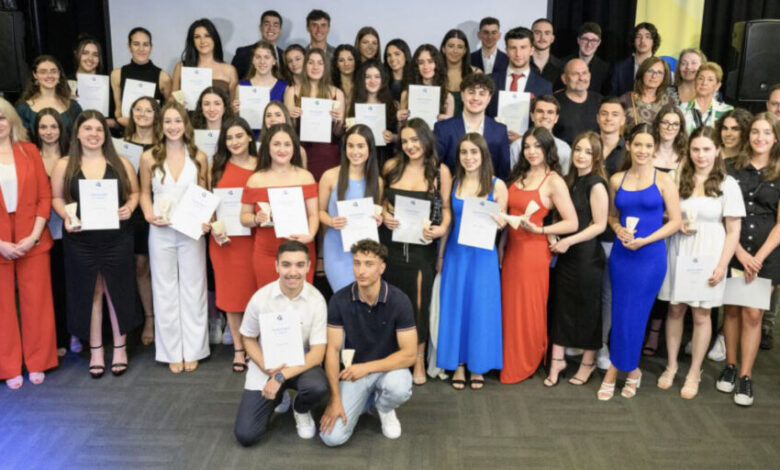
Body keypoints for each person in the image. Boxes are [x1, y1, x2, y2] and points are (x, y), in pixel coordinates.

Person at [51, 110, 141, 379]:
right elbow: (56, 198)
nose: (94, 134)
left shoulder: (121, 162)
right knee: (92, 292)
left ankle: (121, 348)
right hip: (81, 239)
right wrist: (67, 216)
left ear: (106, 134)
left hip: (116, 238)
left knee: (116, 290)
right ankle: (97, 351)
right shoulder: (64, 164)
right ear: (77, 133)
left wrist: (129, 207)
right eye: (88, 129)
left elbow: (135, 192)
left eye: (99, 129)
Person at [657, 126, 744, 399]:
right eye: (695, 149)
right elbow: (662, 214)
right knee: (675, 310)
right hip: (678, 250)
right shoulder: (677, 177)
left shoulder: (728, 184)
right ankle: (671, 366)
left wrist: (722, 265)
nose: (701, 155)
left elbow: (733, 231)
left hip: (709, 254)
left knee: (701, 314)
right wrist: (676, 222)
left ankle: (694, 372)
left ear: (717, 150)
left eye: (706, 149)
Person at [597, 123, 681, 401]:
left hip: (650, 257)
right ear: (629, 146)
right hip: (622, 256)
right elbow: (611, 216)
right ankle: (631, 370)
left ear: (654, 148)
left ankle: (614, 370)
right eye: (638, 144)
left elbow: (676, 222)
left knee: (636, 315)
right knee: (620, 313)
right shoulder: (616, 180)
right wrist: (618, 229)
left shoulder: (664, 180)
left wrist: (645, 241)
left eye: (648, 145)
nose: (643, 150)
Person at [320, 239, 417, 445]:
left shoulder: (399, 300)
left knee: (399, 387)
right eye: (357, 263)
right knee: (331, 437)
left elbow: (409, 354)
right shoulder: (339, 300)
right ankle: (367, 402)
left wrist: (366, 367)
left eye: (369, 264)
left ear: (382, 267)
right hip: (353, 374)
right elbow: (332, 350)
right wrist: (334, 399)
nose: (361, 270)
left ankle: (384, 408)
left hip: (388, 369)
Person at [501, 127, 578, 385]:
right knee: (510, 307)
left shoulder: (553, 180)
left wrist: (542, 230)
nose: (532, 151)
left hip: (533, 252)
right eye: (527, 146)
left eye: (538, 146)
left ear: (548, 149)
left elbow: (572, 222)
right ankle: (509, 358)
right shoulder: (519, 174)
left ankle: (527, 360)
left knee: (528, 308)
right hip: (511, 250)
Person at [234, 241, 329, 445]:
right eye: (286, 265)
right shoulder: (260, 298)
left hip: (301, 364)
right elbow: (248, 337)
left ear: (308, 266)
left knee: (318, 387)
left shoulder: (317, 300)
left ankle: (300, 409)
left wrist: (280, 376)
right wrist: (266, 367)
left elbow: (317, 354)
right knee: (246, 435)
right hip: (267, 364)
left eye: (299, 265)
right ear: (276, 266)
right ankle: (279, 395)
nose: (293, 272)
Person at [139, 102, 210, 374]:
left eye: (177, 121)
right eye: (167, 121)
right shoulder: (149, 157)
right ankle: (170, 351)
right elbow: (144, 193)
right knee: (164, 289)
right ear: (161, 125)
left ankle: (194, 349)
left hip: (191, 231)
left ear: (186, 124)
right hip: (161, 230)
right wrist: (148, 214)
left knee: (194, 288)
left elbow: (205, 193)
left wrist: (205, 220)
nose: (173, 126)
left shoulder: (199, 156)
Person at [381, 118, 453, 385]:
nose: (410, 146)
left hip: (422, 247)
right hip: (391, 244)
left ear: (426, 140)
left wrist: (442, 229)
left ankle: (419, 358)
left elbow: (446, 209)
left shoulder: (440, 171)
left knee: (419, 303)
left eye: (415, 139)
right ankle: (392, 355)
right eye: (405, 141)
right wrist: (385, 215)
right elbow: (381, 202)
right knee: (389, 300)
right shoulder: (391, 166)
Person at [719, 112, 780, 406]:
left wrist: (758, 258)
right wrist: (740, 253)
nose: (760, 138)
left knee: (753, 315)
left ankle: (745, 375)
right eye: (755, 131)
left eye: (767, 133)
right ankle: (730, 365)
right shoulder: (731, 168)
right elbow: (723, 213)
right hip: (735, 248)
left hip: (766, 254)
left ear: (776, 138)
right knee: (731, 311)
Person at [437, 133, 506, 389]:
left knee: (481, 308)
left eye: (474, 152)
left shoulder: (497, 185)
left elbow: (504, 222)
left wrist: (500, 221)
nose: (469, 157)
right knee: (456, 308)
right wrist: (441, 255)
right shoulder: (454, 183)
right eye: (464, 152)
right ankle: (458, 364)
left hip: (483, 256)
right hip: (457, 254)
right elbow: (448, 222)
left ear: (483, 154)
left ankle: (478, 365)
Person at [0, 99, 57, 389]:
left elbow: (44, 197)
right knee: (2, 307)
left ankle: (38, 361)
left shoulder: (29, 151)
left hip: (32, 236)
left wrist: (34, 236)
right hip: (0, 240)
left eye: (1, 118)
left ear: (11, 120)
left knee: (37, 302)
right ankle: (8, 366)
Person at [548, 131, 609, 386]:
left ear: (597, 157)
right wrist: (553, 235)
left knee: (588, 310)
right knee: (561, 307)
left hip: (586, 256)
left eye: (588, 152)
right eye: (578, 150)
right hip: (565, 255)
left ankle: (588, 362)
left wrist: (569, 241)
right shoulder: (569, 180)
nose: (581, 156)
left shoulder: (596, 184)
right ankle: (557, 360)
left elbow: (599, 225)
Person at [207, 117, 259, 373]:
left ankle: (255, 346)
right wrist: (212, 225)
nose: (235, 142)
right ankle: (239, 348)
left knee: (254, 294)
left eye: (239, 136)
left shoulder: (262, 166)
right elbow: (208, 203)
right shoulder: (216, 166)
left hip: (255, 238)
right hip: (225, 242)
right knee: (230, 295)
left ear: (249, 136)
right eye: (229, 138)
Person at [240, 123, 319, 288]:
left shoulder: (306, 177)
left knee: (300, 299)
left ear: (294, 147)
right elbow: (244, 217)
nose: (282, 149)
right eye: (276, 144)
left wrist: (310, 235)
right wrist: (256, 218)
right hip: (266, 253)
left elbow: (313, 214)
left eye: (287, 144)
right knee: (269, 300)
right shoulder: (255, 180)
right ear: (268, 147)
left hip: (300, 251)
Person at [320, 124, 383, 292]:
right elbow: (319, 212)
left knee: (364, 297)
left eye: (361, 146)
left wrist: (378, 220)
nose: (355, 151)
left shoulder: (377, 181)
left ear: (370, 148)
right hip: (336, 247)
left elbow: (377, 211)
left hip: (365, 251)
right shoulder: (330, 176)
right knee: (342, 294)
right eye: (351, 146)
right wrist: (331, 221)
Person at [33, 108, 73, 357]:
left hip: (69, 230)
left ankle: (74, 334)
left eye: (53, 126)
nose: (49, 132)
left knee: (69, 285)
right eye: (43, 127)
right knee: (50, 288)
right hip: (41, 232)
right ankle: (57, 338)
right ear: (36, 130)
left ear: (61, 129)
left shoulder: (71, 157)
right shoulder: (30, 156)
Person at [123, 96, 161, 346]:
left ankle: (164, 316)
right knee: (140, 266)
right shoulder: (120, 144)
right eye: (138, 109)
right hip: (130, 212)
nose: (143, 114)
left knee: (160, 266)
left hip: (158, 209)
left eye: (149, 110)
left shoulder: (164, 144)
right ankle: (149, 317)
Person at [595, 97, 627, 370]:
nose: (608, 118)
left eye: (614, 114)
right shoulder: (588, 145)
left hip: (612, 233)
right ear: (597, 118)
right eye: (604, 113)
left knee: (608, 293)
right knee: (584, 288)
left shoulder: (628, 151)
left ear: (623, 120)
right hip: (585, 229)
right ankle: (583, 340)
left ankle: (602, 344)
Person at [283, 48, 346, 181]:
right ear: (305, 65)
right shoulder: (291, 92)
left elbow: (338, 133)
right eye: (311, 62)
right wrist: (292, 118)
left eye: (320, 63)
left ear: (325, 67)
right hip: (300, 152)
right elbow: (288, 131)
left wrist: (339, 121)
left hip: (328, 154)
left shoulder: (337, 93)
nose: (315, 67)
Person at [434, 73, 511, 179]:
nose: (476, 98)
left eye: (482, 94)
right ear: (462, 95)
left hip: (489, 188)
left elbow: (504, 173)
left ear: (489, 98)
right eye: (471, 92)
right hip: (451, 187)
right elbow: (434, 168)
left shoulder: (500, 131)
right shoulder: (443, 128)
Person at [110, 27, 172, 128]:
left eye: (145, 44)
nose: (141, 49)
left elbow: (168, 110)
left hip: (152, 132)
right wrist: (123, 121)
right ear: (129, 46)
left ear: (151, 47)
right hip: (125, 131)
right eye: (136, 44)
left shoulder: (163, 77)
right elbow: (118, 110)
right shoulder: (117, 74)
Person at [486, 27, 552, 120]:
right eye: (513, 48)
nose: (518, 53)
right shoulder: (489, 81)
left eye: (523, 47)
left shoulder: (544, 86)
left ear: (532, 50)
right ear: (506, 51)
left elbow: (545, 120)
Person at [172, 19, 238, 104]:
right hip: (187, 112)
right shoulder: (181, 66)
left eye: (207, 36)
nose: (202, 41)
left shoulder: (230, 70)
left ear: (214, 38)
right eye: (197, 37)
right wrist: (178, 102)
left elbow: (233, 105)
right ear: (192, 41)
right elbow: (172, 98)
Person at [16, 55, 82, 136]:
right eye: (43, 72)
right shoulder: (24, 109)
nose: (49, 76)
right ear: (35, 75)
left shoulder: (73, 106)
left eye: (53, 71)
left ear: (59, 74)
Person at [231, 41, 287, 135]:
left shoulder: (285, 87)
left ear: (274, 61)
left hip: (275, 138)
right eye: (258, 57)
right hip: (249, 137)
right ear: (252, 60)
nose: (262, 61)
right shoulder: (241, 87)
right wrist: (235, 112)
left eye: (267, 57)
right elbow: (237, 122)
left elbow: (288, 123)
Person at [348, 61, 398, 165]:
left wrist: (392, 137)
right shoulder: (355, 103)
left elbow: (400, 136)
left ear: (383, 79)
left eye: (377, 77)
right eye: (368, 77)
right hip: (359, 157)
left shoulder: (393, 104)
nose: (372, 81)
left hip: (384, 157)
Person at [510, 95, 571, 174]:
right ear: (532, 116)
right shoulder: (517, 146)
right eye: (540, 111)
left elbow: (566, 178)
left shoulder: (564, 149)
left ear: (556, 118)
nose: (545, 116)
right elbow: (513, 176)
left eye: (550, 112)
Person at [398, 44, 455, 124]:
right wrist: (400, 119)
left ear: (437, 64)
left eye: (430, 61)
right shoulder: (406, 94)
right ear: (416, 66)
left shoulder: (448, 98)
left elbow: (449, 129)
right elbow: (403, 126)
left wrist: (448, 122)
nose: (426, 66)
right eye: (421, 62)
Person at [70, 36, 118, 129]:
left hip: (103, 132)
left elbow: (118, 122)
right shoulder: (66, 83)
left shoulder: (108, 84)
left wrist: (104, 122)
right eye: (85, 53)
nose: (90, 58)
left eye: (95, 55)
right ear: (76, 54)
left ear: (99, 58)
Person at [553, 58, 602, 145]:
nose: (581, 78)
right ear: (564, 78)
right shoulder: (553, 103)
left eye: (584, 73)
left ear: (589, 76)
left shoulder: (600, 101)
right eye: (575, 74)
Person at [231, 10, 285, 80]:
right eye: (266, 24)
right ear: (260, 27)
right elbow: (233, 80)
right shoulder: (243, 53)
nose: (271, 28)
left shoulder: (285, 56)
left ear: (280, 30)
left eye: (275, 25)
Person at [610, 22, 660, 97]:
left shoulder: (661, 68)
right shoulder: (620, 68)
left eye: (648, 37)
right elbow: (612, 97)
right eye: (638, 36)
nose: (642, 40)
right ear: (633, 40)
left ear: (654, 41)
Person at [621, 57, 673, 129]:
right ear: (642, 73)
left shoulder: (669, 102)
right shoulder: (626, 99)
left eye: (659, 73)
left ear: (664, 78)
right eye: (650, 71)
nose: (654, 76)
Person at [682, 63, 733, 135]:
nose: (704, 83)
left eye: (710, 80)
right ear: (695, 82)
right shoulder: (681, 109)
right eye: (700, 78)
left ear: (717, 85)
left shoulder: (727, 111)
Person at [440, 29, 479, 116]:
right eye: (451, 46)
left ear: (465, 51)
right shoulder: (434, 73)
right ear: (443, 49)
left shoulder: (476, 74)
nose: (455, 51)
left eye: (460, 47)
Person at [565, 22, 609, 94]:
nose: (589, 44)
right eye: (585, 39)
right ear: (578, 40)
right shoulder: (564, 63)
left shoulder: (605, 69)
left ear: (599, 43)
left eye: (594, 40)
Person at [531, 18, 564, 88]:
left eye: (547, 33)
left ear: (552, 38)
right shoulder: (521, 63)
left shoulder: (562, 67)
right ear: (531, 36)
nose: (542, 37)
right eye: (537, 33)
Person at [332, 45, 358, 109]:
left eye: (350, 59)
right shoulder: (330, 86)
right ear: (336, 64)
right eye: (341, 60)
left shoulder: (362, 86)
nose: (346, 64)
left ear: (355, 61)